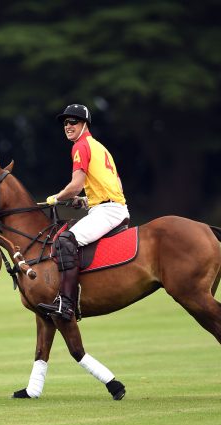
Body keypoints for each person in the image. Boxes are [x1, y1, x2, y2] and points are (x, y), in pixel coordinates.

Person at [38, 104, 130, 321]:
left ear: (85, 124)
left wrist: (56, 198)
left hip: (108, 211)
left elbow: (76, 184)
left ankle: (67, 305)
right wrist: (85, 201)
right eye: (65, 123)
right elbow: (115, 184)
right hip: (110, 206)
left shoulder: (80, 146)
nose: (68, 126)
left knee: (64, 241)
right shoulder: (99, 147)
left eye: (73, 122)